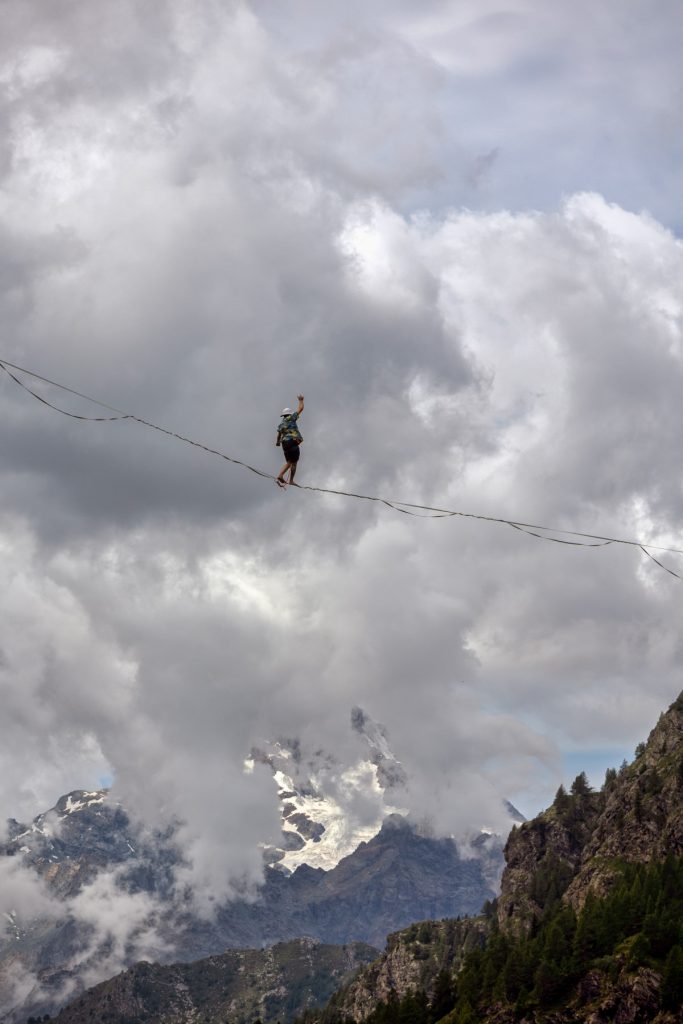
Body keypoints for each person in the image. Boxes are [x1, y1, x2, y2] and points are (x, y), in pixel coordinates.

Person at [276, 394, 305, 486]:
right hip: (292, 442)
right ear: (289, 414)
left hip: (284, 444)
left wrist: (277, 442)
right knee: (293, 461)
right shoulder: (291, 418)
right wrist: (301, 400)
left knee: (290, 462)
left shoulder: (281, 424)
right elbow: (300, 409)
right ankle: (284, 477)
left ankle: (283, 476)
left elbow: (279, 435)